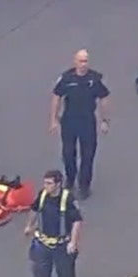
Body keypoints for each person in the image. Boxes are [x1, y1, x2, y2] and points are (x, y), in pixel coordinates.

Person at [50, 49, 110, 199]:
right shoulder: (66, 78)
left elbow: (103, 98)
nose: (84, 64)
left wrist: (104, 120)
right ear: (75, 62)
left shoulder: (95, 79)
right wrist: (53, 119)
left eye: (86, 61)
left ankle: (84, 185)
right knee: (68, 154)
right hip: (69, 121)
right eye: (81, 61)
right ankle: (70, 180)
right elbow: (56, 97)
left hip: (87, 122)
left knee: (88, 155)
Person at [22, 169, 83, 277]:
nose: (46, 186)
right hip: (42, 243)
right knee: (40, 272)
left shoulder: (67, 199)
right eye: (45, 183)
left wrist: (73, 243)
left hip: (61, 244)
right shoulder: (43, 195)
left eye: (49, 183)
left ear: (58, 184)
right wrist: (29, 226)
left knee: (65, 272)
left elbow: (76, 221)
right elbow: (34, 210)